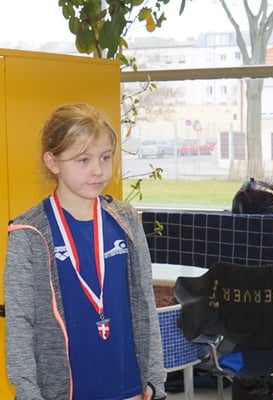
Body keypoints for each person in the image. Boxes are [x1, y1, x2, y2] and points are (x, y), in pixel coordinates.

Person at [4, 103, 167, 400]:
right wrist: (29, 394)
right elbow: (20, 325)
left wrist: (154, 381)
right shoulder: (29, 233)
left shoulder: (126, 220)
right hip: (64, 392)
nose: (98, 170)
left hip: (130, 387)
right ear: (53, 162)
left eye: (105, 157)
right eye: (83, 160)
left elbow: (145, 301)